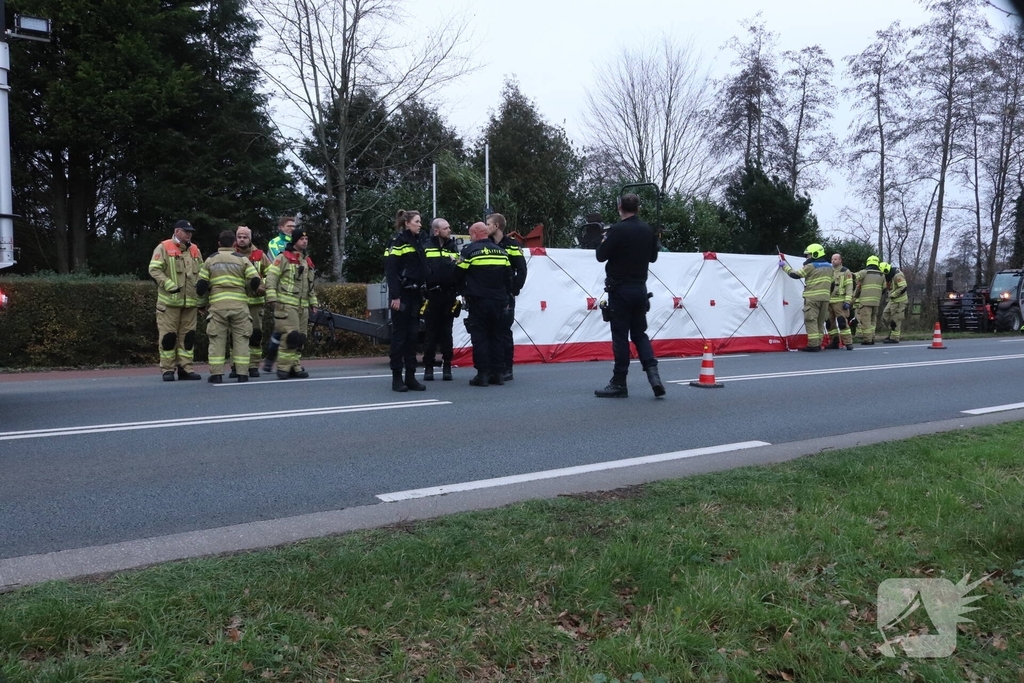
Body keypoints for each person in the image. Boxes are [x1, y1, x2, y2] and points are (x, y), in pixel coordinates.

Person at [594, 193, 665, 398]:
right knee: (640, 334)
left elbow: (600, 256)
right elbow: (652, 257)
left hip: (620, 290)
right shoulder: (647, 230)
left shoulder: (617, 230)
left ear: (619, 208)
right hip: (640, 289)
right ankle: (654, 378)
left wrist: (604, 241)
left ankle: (619, 382)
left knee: (620, 337)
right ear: (639, 208)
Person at [197, 230, 261, 384]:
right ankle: (242, 374)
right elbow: (255, 281)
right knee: (241, 340)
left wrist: (201, 305)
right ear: (234, 244)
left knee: (217, 341)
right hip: (239, 307)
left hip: (218, 307)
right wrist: (250, 290)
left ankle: (216, 374)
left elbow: (201, 286)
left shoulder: (210, 260)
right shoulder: (242, 259)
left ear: (219, 243)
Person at [455, 222, 512, 387]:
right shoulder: (502, 252)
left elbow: (457, 273)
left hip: (478, 301)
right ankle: (498, 374)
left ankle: (482, 375)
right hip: (499, 301)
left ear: (474, 234)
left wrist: (462, 290)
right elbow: (508, 277)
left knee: (480, 338)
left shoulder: (469, 251)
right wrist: (507, 299)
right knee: (497, 337)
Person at [148, 219, 205, 381]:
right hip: (169, 303)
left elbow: (202, 272)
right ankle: (167, 369)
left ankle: (185, 369)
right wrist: (169, 284)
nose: (189, 234)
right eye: (186, 231)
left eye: (191, 232)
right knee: (168, 337)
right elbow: (154, 269)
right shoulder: (164, 247)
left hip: (190, 303)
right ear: (176, 231)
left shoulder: (194, 249)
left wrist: (202, 295)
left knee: (188, 337)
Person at [384, 209, 429, 392]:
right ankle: (397, 378)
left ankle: (410, 377)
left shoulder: (419, 241)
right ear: (407, 223)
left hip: (415, 295)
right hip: (401, 295)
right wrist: (395, 296)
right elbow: (391, 271)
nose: (420, 224)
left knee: (412, 338)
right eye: (417, 221)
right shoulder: (397, 241)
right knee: (399, 338)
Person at [265, 228, 318, 379]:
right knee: (290, 337)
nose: (305, 242)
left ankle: (294, 366)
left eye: (306, 239)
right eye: (302, 239)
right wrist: (271, 296)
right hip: (286, 305)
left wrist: (313, 302)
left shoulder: (306, 260)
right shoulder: (283, 258)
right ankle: (283, 368)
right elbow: (271, 276)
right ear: (294, 241)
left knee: (300, 338)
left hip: (302, 306)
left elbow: (310, 285)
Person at [486, 212, 527, 381]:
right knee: (490, 331)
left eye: (488, 224)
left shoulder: (512, 245)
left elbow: (522, 270)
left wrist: (514, 289)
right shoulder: (485, 244)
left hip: (505, 295)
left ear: (496, 226)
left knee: (504, 331)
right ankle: (493, 367)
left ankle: (506, 367)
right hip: (489, 295)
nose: (486, 226)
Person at [421, 217, 459, 381]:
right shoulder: (426, 247)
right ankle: (428, 368)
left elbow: (459, 270)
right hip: (432, 296)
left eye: (449, 227)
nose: (449, 230)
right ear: (436, 231)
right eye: (446, 228)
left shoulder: (453, 247)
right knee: (430, 334)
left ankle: (447, 366)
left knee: (447, 334)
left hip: (449, 296)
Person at [230, 226, 272, 377]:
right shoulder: (230, 254)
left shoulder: (259, 255)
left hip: (255, 302)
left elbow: (271, 274)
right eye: (239, 237)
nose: (241, 239)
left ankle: (253, 365)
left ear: (250, 239)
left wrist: (262, 285)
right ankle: (236, 366)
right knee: (235, 336)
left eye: (245, 237)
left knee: (255, 334)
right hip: (235, 302)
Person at [780, 243, 832, 352]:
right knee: (820, 322)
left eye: (808, 255)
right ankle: (818, 342)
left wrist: (785, 266)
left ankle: (813, 345)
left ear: (815, 254)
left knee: (811, 320)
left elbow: (796, 275)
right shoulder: (829, 266)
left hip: (812, 298)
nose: (807, 257)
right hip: (826, 298)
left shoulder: (811, 266)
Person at [853, 255, 886, 345]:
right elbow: (884, 288)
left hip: (865, 301)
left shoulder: (864, 272)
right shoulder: (882, 274)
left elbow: (854, 277)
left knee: (865, 321)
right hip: (876, 302)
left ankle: (868, 339)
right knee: (872, 320)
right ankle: (872, 336)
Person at [826, 252, 855, 350]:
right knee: (829, 323)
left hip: (840, 301)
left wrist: (847, 301)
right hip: (829, 301)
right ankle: (834, 342)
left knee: (842, 322)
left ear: (840, 260)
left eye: (835, 259)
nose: (833, 261)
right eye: (832, 259)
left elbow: (849, 287)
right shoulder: (828, 270)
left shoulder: (846, 271)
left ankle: (848, 342)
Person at [880, 262, 909, 343]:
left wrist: (894, 294)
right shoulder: (889, 276)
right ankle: (892, 332)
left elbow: (903, 287)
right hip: (892, 300)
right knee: (885, 316)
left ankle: (894, 338)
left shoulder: (897, 275)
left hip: (899, 301)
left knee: (896, 319)